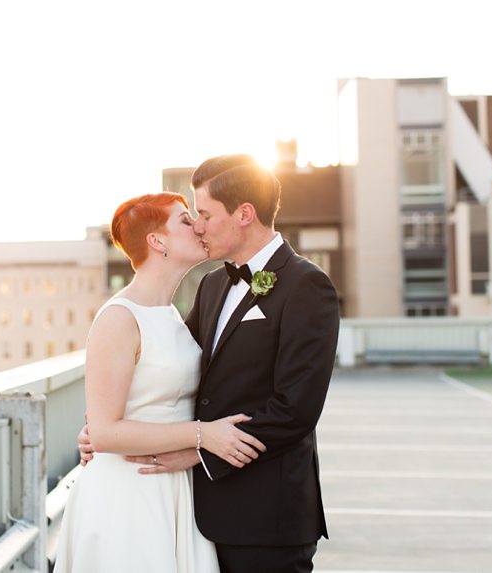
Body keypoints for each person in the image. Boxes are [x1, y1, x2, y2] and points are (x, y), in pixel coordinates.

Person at [80, 156, 340, 573]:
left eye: (204, 214)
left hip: (267, 517)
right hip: (196, 513)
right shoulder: (213, 284)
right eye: (191, 217)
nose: (198, 226)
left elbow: (297, 409)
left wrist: (197, 452)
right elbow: (166, 367)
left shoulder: (307, 285)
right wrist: (107, 423)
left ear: (244, 214)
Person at [53, 192, 266, 573]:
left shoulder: (171, 313)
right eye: (185, 220)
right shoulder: (119, 318)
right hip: (129, 492)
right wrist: (204, 435)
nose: (198, 226)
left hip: (176, 486)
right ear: (157, 241)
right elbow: (104, 432)